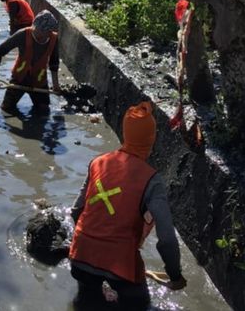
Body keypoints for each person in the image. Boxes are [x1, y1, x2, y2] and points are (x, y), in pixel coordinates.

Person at [69, 102, 187, 310]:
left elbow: (76, 211)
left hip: (80, 257)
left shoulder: (98, 162)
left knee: (86, 301)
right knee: (139, 306)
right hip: (121, 264)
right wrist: (175, 275)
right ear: (151, 141)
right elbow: (167, 238)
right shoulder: (152, 180)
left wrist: (91, 247)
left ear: (125, 135)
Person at [0, 10, 61, 114]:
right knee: (6, 109)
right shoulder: (23, 35)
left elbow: (54, 63)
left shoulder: (53, 39)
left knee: (44, 112)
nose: (41, 34)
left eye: (46, 32)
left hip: (39, 79)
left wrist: (56, 85)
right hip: (20, 78)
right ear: (35, 26)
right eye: (38, 30)